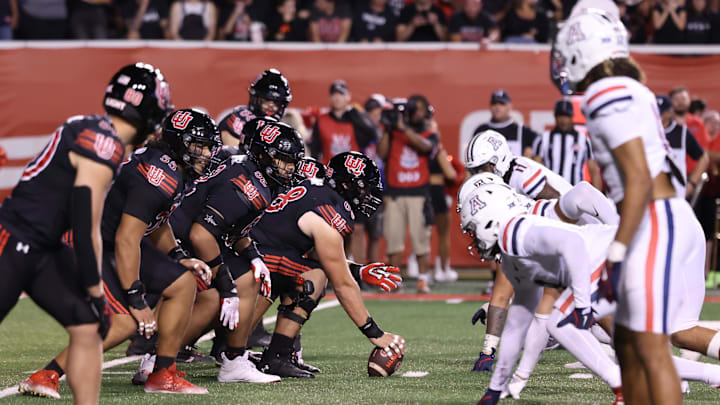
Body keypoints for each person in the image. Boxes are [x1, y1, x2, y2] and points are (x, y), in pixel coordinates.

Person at [554, 10, 706, 404]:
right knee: (628, 341)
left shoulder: (604, 93)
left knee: (651, 348)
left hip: (653, 219)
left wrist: (617, 252)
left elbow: (638, 177)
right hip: (662, 216)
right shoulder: (630, 86)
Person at [21, 109, 222, 398]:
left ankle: (163, 374)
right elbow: (128, 239)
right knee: (125, 322)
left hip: (110, 239)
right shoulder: (159, 174)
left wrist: (178, 255)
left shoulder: (171, 168)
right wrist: (136, 297)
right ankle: (46, 375)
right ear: (178, 143)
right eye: (198, 146)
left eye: (207, 147)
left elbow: (156, 220)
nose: (204, 154)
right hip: (83, 240)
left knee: (183, 282)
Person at [464, 183, 720, 405]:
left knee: (565, 321)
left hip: (628, 253)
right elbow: (520, 324)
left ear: (490, 220)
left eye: (473, 229)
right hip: (628, 255)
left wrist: (584, 304)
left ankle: (622, 384)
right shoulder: (512, 257)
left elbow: (574, 244)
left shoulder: (516, 232)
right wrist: (497, 387)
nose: (473, 238)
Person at [0, 63, 166, 404]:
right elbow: (85, 221)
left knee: (89, 328)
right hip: (14, 238)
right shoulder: (104, 142)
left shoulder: (93, 128)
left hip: (44, 246)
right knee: (94, 317)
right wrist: (94, 289)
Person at [463, 130, 619, 372]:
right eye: (475, 170)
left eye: (484, 167)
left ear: (499, 160)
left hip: (585, 236)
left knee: (575, 312)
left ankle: (634, 351)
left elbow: (564, 209)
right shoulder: (505, 198)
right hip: (568, 240)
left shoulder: (519, 176)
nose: (479, 175)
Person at [248, 151, 405, 377]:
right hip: (253, 261)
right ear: (346, 185)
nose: (366, 195)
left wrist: (357, 270)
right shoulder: (329, 209)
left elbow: (316, 254)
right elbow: (342, 284)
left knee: (306, 274)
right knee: (314, 278)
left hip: (259, 254)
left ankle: (276, 355)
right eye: (362, 188)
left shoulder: (318, 192)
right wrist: (375, 333)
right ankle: (233, 352)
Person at [378, 95, 438, 293]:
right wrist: (389, 129)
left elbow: (426, 147)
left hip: (419, 194)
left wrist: (404, 129)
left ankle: (423, 279)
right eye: (415, 109)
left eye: (421, 109)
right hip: (395, 194)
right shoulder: (394, 132)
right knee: (394, 239)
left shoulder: (429, 131)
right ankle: (395, 278)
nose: (418, 113)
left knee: (420, 240)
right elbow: (382, 152)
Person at [532, 99, 603, 188]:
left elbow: (593, 170)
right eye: (560, 116)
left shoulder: (583, 139)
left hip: (575, 190)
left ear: (572, 116)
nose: (563, 120)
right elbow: (535, 167)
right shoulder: (543, 138)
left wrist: (597, 197)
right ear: (555, 116)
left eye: (566, 116)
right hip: (551, 191)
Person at [217, 69, 292, 148]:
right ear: (255, 97)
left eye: (277, 102)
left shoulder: (284, 122)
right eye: (266, 100)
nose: (271, 106)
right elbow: (234, 155)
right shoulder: (239, 119)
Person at [309, 79, 377, 165]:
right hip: (330, 171)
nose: (337, 98)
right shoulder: (321, 120)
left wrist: (359, 114)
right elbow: (315, 149)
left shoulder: (355, 118)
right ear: (329, 98)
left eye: (341, 94)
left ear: (348, 96)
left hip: (353, 171)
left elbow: (373, 135)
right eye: (334, 94)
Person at [656, 94, 709, 199]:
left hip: (676, 193)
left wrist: (691, 184)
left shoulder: (681, 132)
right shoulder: (646, 132)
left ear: (669, 113)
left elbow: (703, 158)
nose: (657, 117)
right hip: (651, 193)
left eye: (661, 114)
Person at [473, 89, 538, 158]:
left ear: (509, 106)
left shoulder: (522, 130)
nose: (497, 107)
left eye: (502, 104)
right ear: (490, 106)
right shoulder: (481, 131)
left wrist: (532, 157)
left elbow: (541, 150)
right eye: (494, 104)